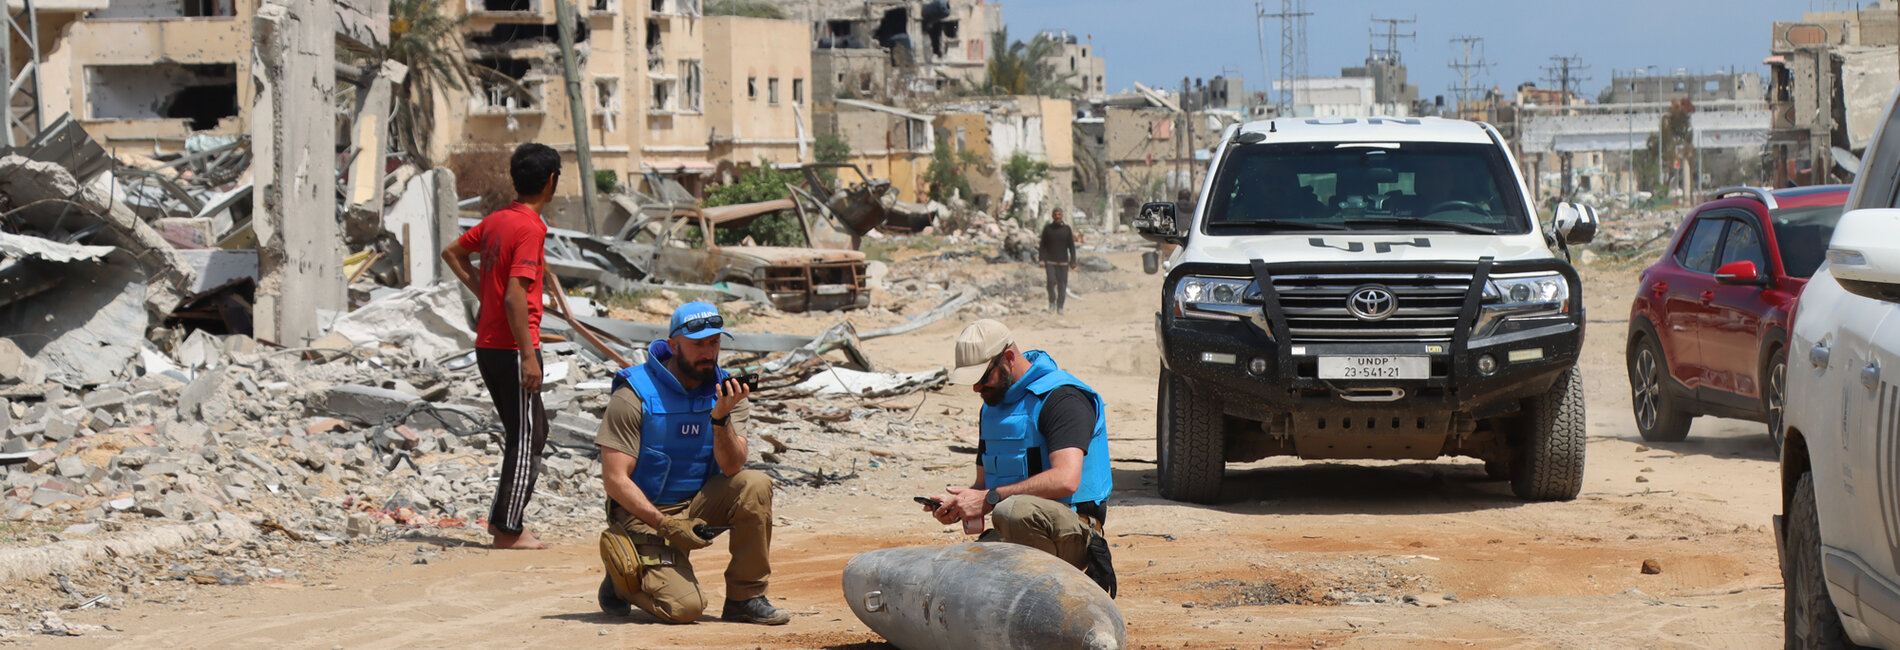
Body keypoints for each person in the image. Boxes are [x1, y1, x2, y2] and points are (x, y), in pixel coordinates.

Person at [593, 302, 789, 625]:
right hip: (644, 515)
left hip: (697, 505)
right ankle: (622, 580)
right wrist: (664, 524)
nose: (708, 352)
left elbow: (732, 467)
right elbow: (615, 479)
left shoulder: (726, 392)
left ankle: (746, 598)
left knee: (755, 484)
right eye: (698, 344)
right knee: (686, 609)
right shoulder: (634, 394)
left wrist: (720, 418)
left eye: (714, 343)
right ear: (673, 345)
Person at [925, 319, 1117, 597]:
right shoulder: (992, 409)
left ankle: (1050, 596)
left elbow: (1066, 479)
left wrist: (990, 499)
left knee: (1011, 511)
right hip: (1019, 529)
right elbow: (984, 485)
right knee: (956, 569)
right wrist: (961, 504)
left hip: (1075, 532)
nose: (977, 388)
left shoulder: (1063, 399)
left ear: (1009, 358)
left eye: (982, 378)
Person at [441, 142, 560, 550]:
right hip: (512, 347)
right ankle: (508, 530)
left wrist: (481, 290)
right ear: (551, 182)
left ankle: (504, 522)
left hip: (490, 345)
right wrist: (529, 355)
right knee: (527, 435)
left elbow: (452, 252)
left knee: (530, 430)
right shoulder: (530, 228)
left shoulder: (496, 221)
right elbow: (514, 296)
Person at [1037, 208, 1079, 314]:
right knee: (1050, 282)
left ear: (1062, 216)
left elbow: (1071, 247)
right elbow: (1042, 246)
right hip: (1050, 262)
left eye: (1059, 214)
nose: (1057, 216)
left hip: (1063, 263)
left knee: (1062, 285)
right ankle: (1052, 302)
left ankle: (1060, 306)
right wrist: (1041, 259)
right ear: (1052, 216)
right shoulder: (1048, 229)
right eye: (1055, 215)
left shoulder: (1067, 229)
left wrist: (1073, 261)